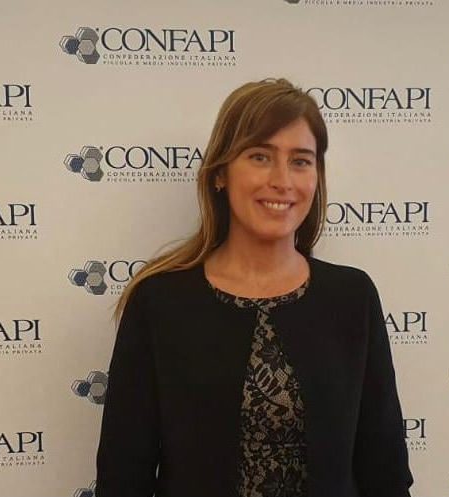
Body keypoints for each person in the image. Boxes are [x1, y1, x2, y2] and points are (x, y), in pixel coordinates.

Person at [95, 77, 413, 497]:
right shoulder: (160, 303)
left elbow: (384, 468)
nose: (282, 180)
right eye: (260, 156)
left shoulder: (352, 297)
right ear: (220, 173)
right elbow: (123, 475)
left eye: (300, 161)